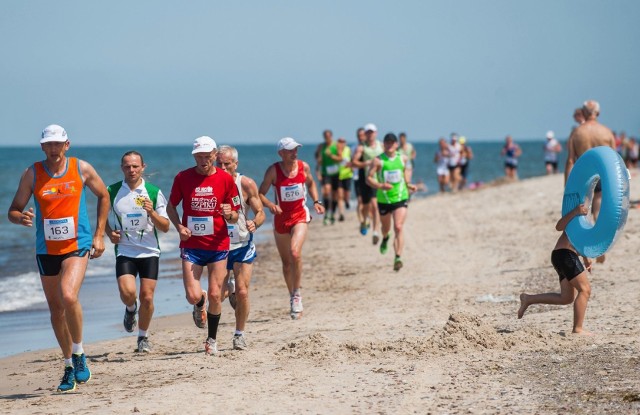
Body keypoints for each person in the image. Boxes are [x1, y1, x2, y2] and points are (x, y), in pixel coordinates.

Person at [7, 124, 109, 392]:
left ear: (67, 145)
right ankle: (67, 366)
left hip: (77, 244)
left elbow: (104, 196)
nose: (53, 148)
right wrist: (21, 218)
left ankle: (78, 352)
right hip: (46, 249)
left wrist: (99, 234)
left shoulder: (81, 168)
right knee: (55, 310)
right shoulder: (32, 173)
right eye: (48, 144)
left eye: (58, 143)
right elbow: (13, 210)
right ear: (42, 147)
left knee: (68, 295)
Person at [166, 136, 241, 356]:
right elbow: (171, 207)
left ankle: (212, 339)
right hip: (192, 245)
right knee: (192, 294)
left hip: (218, 244)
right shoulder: (183, 177)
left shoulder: (226, 180)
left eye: (207, 156)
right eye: (199, 156)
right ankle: (200, 304)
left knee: (217, 294)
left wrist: (231, 215)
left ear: (215, 155)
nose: (203, 160)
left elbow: (236, 214)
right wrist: (179, 226)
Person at [105, 151, 170, 353]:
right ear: (121, 168)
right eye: (127, 166)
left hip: (149, 251)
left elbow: (166, 226)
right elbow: (102, 219)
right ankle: (131, 309)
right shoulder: (112, 191)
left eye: (135, 166)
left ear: (143, 167)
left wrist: (151, 212)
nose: (131, 170)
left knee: (147, 298)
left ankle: (143, 337)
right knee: (128, 293)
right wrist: (109, 233)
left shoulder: (153, 192)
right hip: (125, 250)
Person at [258, 137, 324, 319]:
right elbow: (259, 194)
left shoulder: (304, 167)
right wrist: (270, 205)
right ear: (281, 153)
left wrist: (316, 201)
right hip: (280, 219)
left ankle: (297, 294)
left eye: (296, 149)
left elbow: (310, 183)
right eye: (290, 150)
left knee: (295, 253)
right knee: (287, 264)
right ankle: (291, 296)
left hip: (299, 216)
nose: (294, 153)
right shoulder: (273, 171)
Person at [215, 145, 265, 350]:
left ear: (236, 164)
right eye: (220, 164)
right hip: (218, 246)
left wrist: (255, 222)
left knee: (243, 292)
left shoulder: (245, 183)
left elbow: (260, 211)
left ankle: (239, 334)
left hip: (242, 244)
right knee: (218, 293)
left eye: (228, 164)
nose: (224, 167)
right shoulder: (210, 184)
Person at [518, 203, 593, 335]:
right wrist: (575, 211)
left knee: (566, 298)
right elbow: (559, 226)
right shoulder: (578, 213)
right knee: (585, 290)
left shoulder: (586, 217)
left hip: (562, 256)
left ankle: (528, 299)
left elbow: (581, 239)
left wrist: (586, 258)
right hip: (565, 254)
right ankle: (578, 329)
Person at [565, 100, 616, 263]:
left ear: (584, 113)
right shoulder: (607, 132)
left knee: (582, 213)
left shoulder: (577, 133)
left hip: (583, 176)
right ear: (598, 113)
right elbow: (614, 160)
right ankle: (600, 246)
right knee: (598, 209)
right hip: (602, 175)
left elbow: (571, 160)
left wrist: (567, 186)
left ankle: (587, 251)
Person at [367, 133, 417, 271]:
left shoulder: (403, 158)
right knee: (386, 228)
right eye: (387, 142)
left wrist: (409, 184)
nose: (389, 145)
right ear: (384, 144)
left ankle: (398, 257)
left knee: (399, 227)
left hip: (401, 197)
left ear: (396, 145)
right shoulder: (378, 161)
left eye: (392, 142)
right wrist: (380, 186)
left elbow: (405, 172)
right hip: (384, 199)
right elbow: (369, 178)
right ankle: (385, 237)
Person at [351, 123, 383, 243]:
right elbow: (354, 162)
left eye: (372, 132)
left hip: (378, 180)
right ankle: (364, 220)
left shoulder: (381, 146)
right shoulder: (361, 147)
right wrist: (367, 163)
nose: (370, 134)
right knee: (365, 206)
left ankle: (375, 231)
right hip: (365, 180)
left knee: (375, 205)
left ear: (376, 133)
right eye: (368, 132)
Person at [315, 129, 340, 225]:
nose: (327, 138)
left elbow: (340, 158)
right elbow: (318, 159)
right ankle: (326, 214)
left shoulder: (336, 145)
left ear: (331, 136)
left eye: (328, 136)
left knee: (334, 195)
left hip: (335, 173)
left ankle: (332, 214)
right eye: (325, 136)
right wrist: (318, 171)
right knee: (325, 191)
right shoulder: (321, 146)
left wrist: (332, 156)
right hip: (325, 173)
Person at [351, 127, 368, 232]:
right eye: (359, 135)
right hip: (357, 177)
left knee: (369, 203)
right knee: (360, 201)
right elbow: (351, 162)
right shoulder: (354, 148)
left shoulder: (370, 147)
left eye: (362, 135)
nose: (360, 137)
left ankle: (367, 219)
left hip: (369, 178)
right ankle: (362, 222)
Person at [334, 137, 353, 222]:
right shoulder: (335, 150)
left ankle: (347, 200)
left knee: (346, 194)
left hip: (347, 175)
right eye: (340, 141)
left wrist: (351, 165)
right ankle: (341, 214)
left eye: (343, 141)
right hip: (338, 175)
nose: (341, 143)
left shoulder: (348, 149)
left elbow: (353, 159)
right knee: (339, 195)